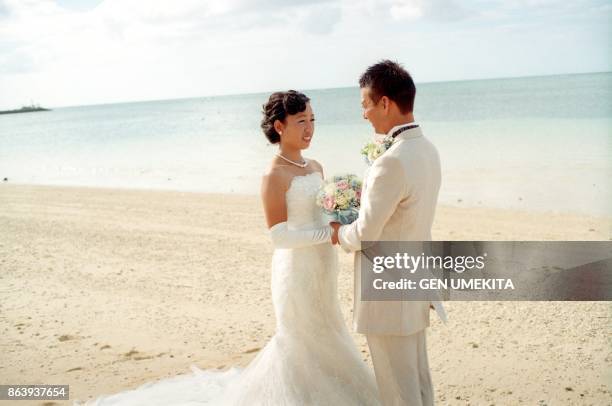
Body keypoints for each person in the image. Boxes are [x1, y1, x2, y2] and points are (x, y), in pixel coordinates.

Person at [77, 90, 380, 405]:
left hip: (322, 266)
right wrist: (327, 234)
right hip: (296, 271)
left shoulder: (316, 166)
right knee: (301, 341)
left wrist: (346, 215)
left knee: (329, 331)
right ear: (279, 126)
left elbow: (325, 213)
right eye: (301, 121)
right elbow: (278, 236)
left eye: (313, 120)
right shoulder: (273, 175)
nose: (309, 128)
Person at [330, 60, 445, 406]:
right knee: (420, 384)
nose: (364, 113)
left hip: (387, 292)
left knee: (397, 390)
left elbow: (365, 234)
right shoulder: (428, 149)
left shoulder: (390, 162)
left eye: (365, 103)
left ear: (385, 103)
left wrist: (339, 231)